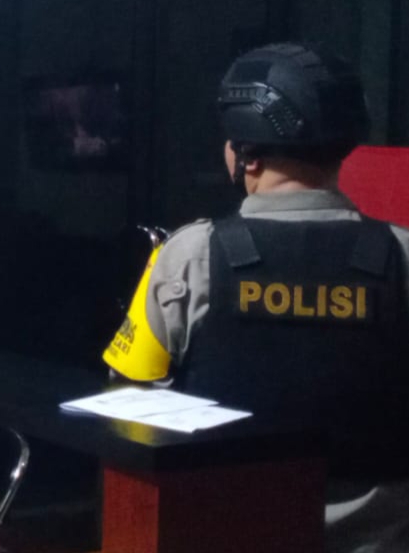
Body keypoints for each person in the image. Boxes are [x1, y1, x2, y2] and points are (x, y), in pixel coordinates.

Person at [104, 42, 409, 552]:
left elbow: (128, 397)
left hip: (220, 532)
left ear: (244, 154)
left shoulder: (191, 254)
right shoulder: (401, 256)